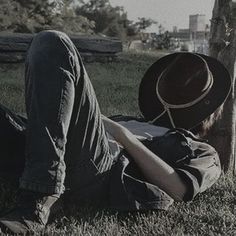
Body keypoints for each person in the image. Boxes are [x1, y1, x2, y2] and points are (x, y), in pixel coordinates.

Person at [0, 30, 232, 234]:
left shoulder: (203, 151)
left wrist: (125, 137)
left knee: (51, 42)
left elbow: (179, 189)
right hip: (41, 148)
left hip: (96, 167)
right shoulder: (130, 119)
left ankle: (38, 198)